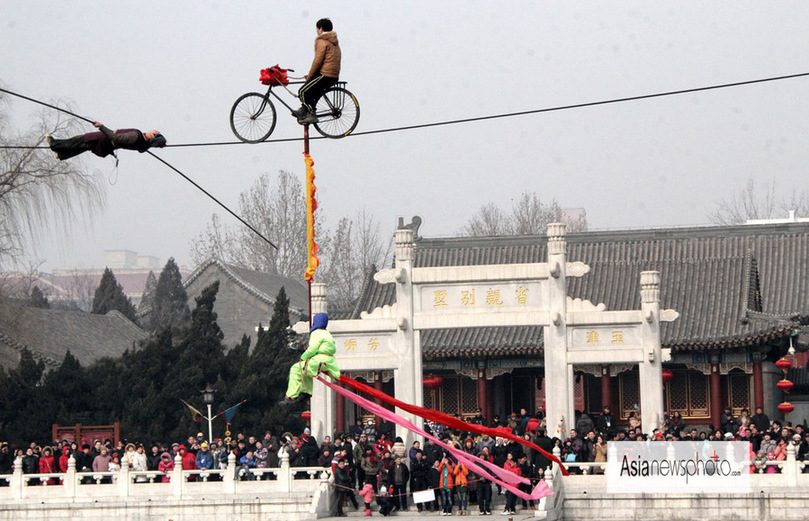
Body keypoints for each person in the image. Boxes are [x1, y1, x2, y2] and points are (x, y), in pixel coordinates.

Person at [291, 18, 341, 125]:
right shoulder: (334, 41)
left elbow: (317, 61)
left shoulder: (322, 41)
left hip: (326, 75)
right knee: (310, 90)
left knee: (302, 92)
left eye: (317, 29)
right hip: (333, 75)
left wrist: (310, 75)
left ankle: (312, 114)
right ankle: (304, 108)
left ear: (320, 29)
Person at [283, 312, 341, 402]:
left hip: (319, 361)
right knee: (305, 370)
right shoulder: (327, 333)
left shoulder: (316, 333)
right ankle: (307, 392)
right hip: (329, 361)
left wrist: (303, 357)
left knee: (295, 368)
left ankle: (291, 396)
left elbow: (312, 349)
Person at [47, 121, 166, 160]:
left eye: (156, 133)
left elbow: (114, 137)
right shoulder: (143, 145)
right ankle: (62, 154)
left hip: (102, 140)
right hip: (105, 148)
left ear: (152, 136)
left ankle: (54, 144)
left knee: (78, 141)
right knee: (83, 147)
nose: (156, 131)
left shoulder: (136, 137)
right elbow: (142, 149)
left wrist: (101, 126)